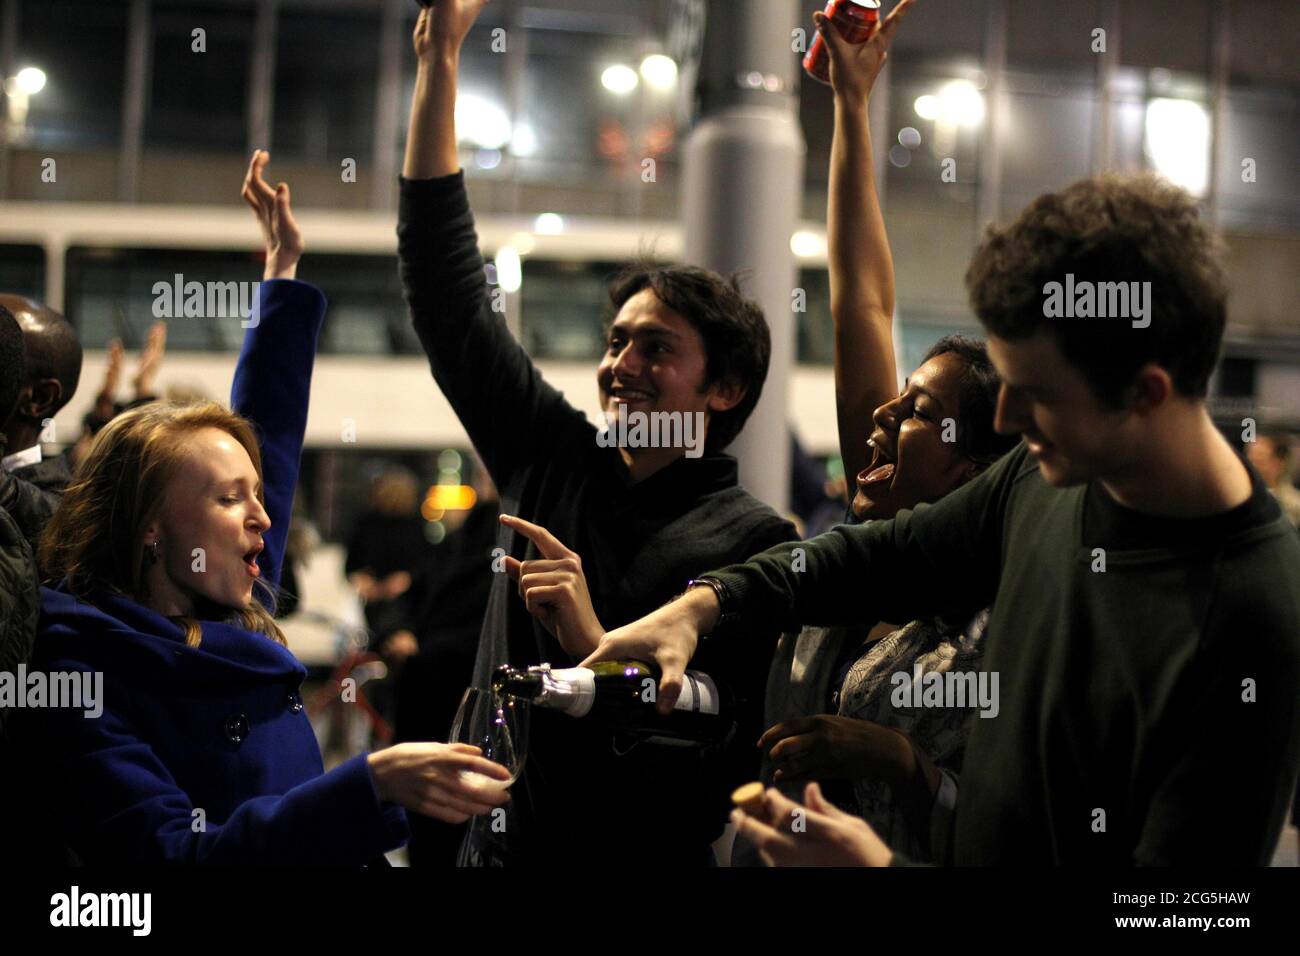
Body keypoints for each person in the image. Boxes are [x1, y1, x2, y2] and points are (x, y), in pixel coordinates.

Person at [588, 166, 1300, 865]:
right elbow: (878, 555)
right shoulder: (1048, 473)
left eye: (1035, 393)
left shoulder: (1253, 614)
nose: (1007, 418)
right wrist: (705, 605)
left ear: (1145, 394)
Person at [12, 152, 510, 865]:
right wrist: (366, 786)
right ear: (151, 526)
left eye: (257, 497)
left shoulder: (223, 599)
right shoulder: (77, 671)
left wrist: (281, 278)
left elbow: (270, 440)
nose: (265, 518)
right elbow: (174, 859)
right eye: (228, 498)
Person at [399, 0, 796, 866]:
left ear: (724, 388)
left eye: (658, 349)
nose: (623, 366)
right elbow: (449, 299)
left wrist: (592, 652)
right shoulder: (551, 456)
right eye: (617, 342)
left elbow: (722, 749)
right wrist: (440, 64)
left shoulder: (757, 546)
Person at [1246, 431, 1300, 528]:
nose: (1252, 466)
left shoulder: (1293, 506)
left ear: (1279, 463)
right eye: (1250, 459)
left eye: (1259, 460)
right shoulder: (1241, 496)